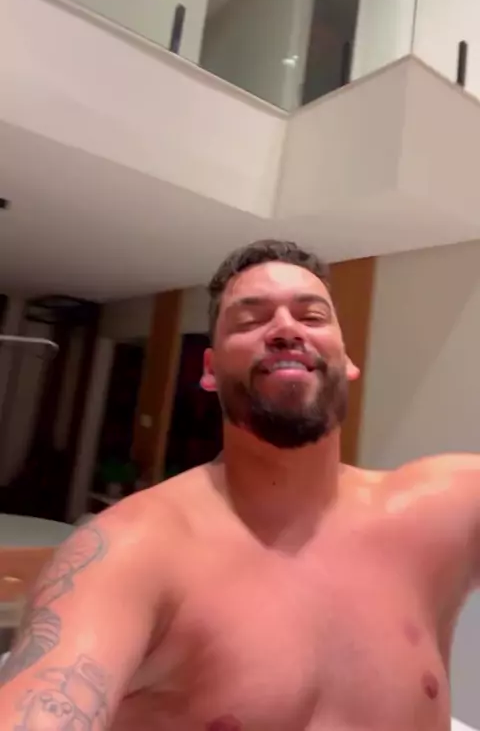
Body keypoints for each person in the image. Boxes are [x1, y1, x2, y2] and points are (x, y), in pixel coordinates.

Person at [0, 239, 479, 731]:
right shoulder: (132, 548)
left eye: (311, 316)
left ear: (347, 359)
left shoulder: (445, 508)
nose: (287, 329)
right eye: (251, 320)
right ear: (209, 371)